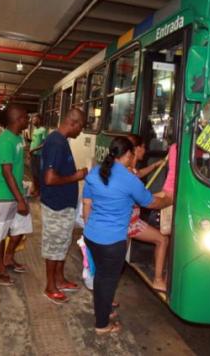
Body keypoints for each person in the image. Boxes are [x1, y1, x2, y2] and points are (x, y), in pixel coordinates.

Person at [82, 137, 167, 334]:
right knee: (106, 280)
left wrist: (90, 228)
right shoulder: (128, 179)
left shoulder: (95, 172)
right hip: (112, 241)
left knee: (101, 278)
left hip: (92, 236)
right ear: (128, 155)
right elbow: (151, 203)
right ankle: (102, 325)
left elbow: (87, 204)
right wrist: (168, 200)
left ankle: (104, 311)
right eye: (131, 156)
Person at [40, 107, 87, 304]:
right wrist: (76, 176)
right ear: (73, 123)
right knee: (53, 247)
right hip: (56, 206)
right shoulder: (56, 143)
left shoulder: (61, 141)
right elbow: (50, 179)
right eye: (81, 127)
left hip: (63, 206)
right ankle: (50, 286)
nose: (81, 131)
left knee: (61, 244)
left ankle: (59, 279)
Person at [0, 104, 30, 286]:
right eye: (26, 117)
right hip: (2, 194)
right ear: (18, 119)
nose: (28, 120)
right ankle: (0, 270)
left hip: (16, 191)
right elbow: (6, 171)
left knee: (21, 229)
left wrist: (27, 186)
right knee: (0, 235)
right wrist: (20, 199)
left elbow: (19, 166)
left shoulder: (18, 137)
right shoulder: (5, 140)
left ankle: (8, 258)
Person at [125, 134, 169, 291]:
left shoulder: (127, 169)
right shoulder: (129, 175)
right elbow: (145, 199)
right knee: (162, 240)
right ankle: (158, 280)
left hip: (128, 219)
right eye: (143, 147)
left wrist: (155, 166)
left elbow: (138, 174)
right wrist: (167, 198)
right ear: (136, 150)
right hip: (129, 222)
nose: (146, 150)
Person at [28, 114, 47, 197]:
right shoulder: (35, 130)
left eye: (34, 119)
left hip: (38, 155)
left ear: (39, 120)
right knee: (33, 173)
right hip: (32, 154)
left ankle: (38, 190)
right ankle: (35, 188)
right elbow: (34, 141)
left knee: (38, 173)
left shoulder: (43, 130)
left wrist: (34, 150)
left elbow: (44, 144)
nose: (32, 121)